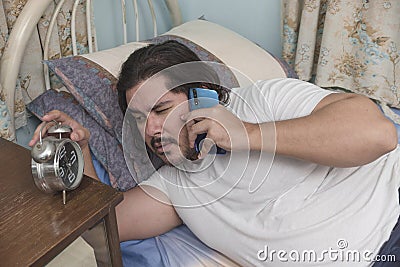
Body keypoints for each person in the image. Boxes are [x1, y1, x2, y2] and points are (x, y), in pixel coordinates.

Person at [29, 40, 400, 266]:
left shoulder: (266, 99)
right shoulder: (174, 185)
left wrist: (248, 135)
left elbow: (379, 134)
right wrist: (81, 154)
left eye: (161, 109)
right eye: (139, 119)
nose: (152, 130)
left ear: (202, 91)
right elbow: (104, 229)